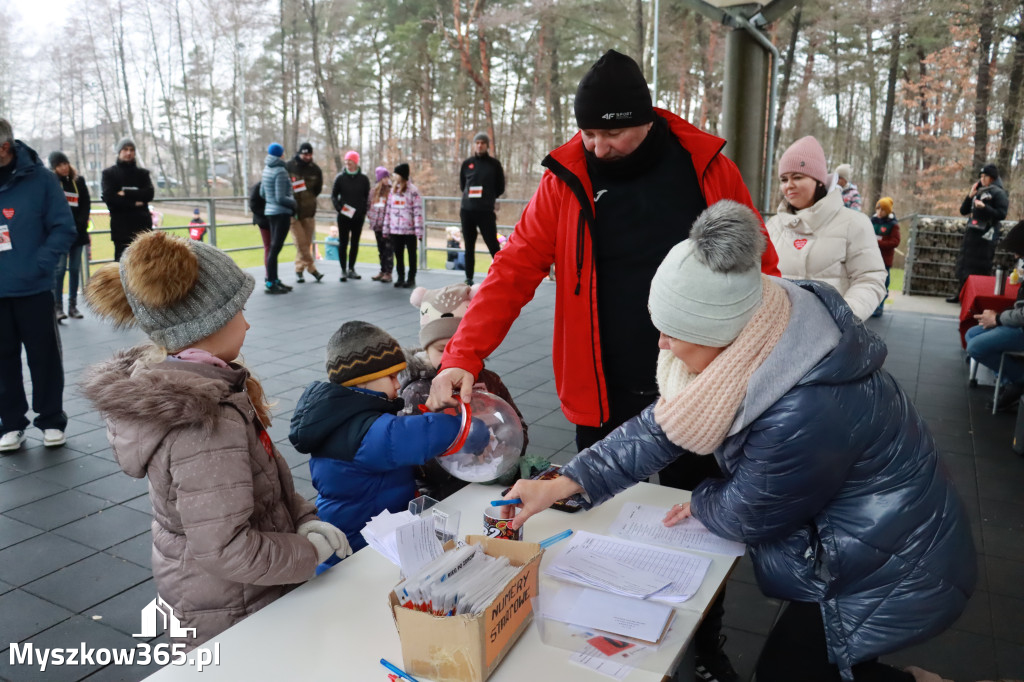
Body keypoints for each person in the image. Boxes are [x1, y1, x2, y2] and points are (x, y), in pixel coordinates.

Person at [504, 200, 976, 682]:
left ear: (720, 333)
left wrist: (705, 500)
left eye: (674, 331)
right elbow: (662, 425)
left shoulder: (806, 407)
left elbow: (750, 510)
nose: (661, 343)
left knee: (788, 677)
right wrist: (563, 482)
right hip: (860, 537)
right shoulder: (767, 322)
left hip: (895, 563)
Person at [427, 50, 779, 680]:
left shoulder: (707, 168)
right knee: (614, 520)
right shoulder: (565, 179)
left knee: (705, 523)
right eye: (588, 132)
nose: (598, 145)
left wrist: (759, 363)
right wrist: (462, 355)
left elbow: (763, 267)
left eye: (611, 132)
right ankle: (627, 640)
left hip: (702, 385)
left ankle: (705, 643)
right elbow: (512, 271)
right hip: (605, 389)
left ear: (645, 120)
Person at [82, 230, 350, 648]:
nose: (247, 321)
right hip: (233, 616)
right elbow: (225, 549)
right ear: (205, 324)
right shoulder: (205, 424)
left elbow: (261, 487)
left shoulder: (210, 393)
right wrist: (308, 554)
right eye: (238, 309)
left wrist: (303, 518)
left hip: (231, 598)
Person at [287, 321, 489, 571]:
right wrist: (474, 431)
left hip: (352, 530)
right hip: (357, 546)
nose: (397, 385)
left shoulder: (343, 418)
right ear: (362, 380)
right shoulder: (367, 433)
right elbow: (419, 434)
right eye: (392, 377)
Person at [399, 283, 528, 499]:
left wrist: (502, 448)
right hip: (439, 494)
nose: (451, 358)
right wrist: (463, 453)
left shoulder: (489, 381)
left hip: (492, 482)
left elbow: (518, 426)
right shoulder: (417, 393)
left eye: (458, 349)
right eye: (442, 350)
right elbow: (412, 454)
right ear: (426, 348)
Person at [0, 119, 76, 452]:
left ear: (4, 147)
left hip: (33, 287)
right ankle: (11, 424)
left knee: (43, 357)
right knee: (2, 361)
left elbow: (64, 228)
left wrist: (40, 264)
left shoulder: (42, 180)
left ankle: (51, 420)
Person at [765, 136, 887, 321]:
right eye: (784, 179)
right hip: (777, 336)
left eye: (798, 177)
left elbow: (870, 278)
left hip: (833, 340)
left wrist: (844, 320)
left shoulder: (854, 224)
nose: (789, 185)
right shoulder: (773, 226)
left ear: (819, 181)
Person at [966, 220, 1024, 412]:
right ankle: (1010, 381)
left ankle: (1019, 380)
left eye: (1018, 251)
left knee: (975, 347)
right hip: (1016, 324)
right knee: (972, 334)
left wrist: (998, 318)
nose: (1016, 256)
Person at [949, 163, 1010, 303]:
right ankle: (960, 294)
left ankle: (973, 297)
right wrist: (970, 195)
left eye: (985, 176)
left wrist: (985, 207)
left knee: (979, 267)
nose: (982, 179)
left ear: (992, 178)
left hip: (986, 236)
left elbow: (1001, 214)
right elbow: (963, 211)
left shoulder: (999, 193)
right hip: (972, 233)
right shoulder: (980, 191)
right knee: (964, 264)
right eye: (981, 176)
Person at [49, 150, 91, 321]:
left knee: (74, 269)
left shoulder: (78, 181)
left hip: (78, 233)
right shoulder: (52, 183)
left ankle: (72, 306)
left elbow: (85, 203)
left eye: (65, 163)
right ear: (54, 168)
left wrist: (79, 224)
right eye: (59, 165)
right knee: (59, 271)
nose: (64, 167)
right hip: (60, 235)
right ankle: (57, 306)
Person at [459, 132, 506, 286]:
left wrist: (487, 197)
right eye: (477, 142)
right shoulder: (467, 164)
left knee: (493, 244)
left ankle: (501, 276)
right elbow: (462, 186)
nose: (479, 145)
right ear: (474, 144)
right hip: (467, 211)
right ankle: (468, 278)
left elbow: (500, 187)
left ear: (487, 145)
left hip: (485, 211)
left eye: (482, 143)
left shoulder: (494, 164)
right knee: (469, 246)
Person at [101, 137, 155, 261]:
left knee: (145, 265)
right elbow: (111, 199)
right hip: (121, 229)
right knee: (121, 266)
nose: (129, 152)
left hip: (143, 228)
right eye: (125, 149)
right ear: (119, 152)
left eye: (131, 150)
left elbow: (149, 194)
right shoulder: (109, 174)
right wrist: (136, 202)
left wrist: (125, 193)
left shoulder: (143, 174)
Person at [285, 141, 325, 284]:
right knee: (300, 242)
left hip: (309, 212)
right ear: (299, 153)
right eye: (305, 154)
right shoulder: (289, 167)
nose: (307, 156)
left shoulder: (315, 170)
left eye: (309, 154)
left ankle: (299, 270)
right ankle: (312, 269)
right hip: (293, 213)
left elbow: (317, 189)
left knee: (306, 243)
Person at [261, 143, 296, 294]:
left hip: (270, 212)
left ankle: (273, 279)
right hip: (281, 213)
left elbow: (263, 193)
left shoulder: (266, 169)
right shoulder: (281, 171)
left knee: (273, 249)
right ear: (281, 154)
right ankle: (271, 282)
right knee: (275, 249)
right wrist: (295, 203)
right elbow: (281, 197)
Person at [331, 150, 370, 282]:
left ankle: (351, 269)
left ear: (356, 162)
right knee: (343, 243)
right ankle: (343, 270)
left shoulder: (363, 179)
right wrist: (339, 209)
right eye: (346, 161)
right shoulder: (340, 178)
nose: (348, 163)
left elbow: (367, 197)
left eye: (351, 161)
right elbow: (334, 196)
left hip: (358, 217)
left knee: (355, 243)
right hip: (344, 216)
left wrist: (363, 211)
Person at [382, 163, 423, 289]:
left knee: (411, 254)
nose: (394, 176)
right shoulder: (393, 191)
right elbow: (388, 210)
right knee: (398, 254)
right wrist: (386, 228)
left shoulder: (413, 191)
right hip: (395, 230)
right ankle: (400, 277)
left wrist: (419, 231)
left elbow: (417, 212)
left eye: (396, 174)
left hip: (409, 231)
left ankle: (411, 278)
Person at [871, 197, 900, 318]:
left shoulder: (893, 225)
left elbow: (895, 241)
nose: (879, 212)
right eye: (878, 209)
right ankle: (871, 305)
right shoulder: (872, 220)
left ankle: (880, 306)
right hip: (871, 258)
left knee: (883, 283)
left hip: (884, 259)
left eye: (882, 210)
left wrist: (878, 242)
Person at [367, 166, 394, 283]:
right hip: (376, 225)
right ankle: (382, 270)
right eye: (384, 177)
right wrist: (371, 217)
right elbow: (369, 206)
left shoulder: (391, 191)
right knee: (381, 249)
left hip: (387, 226)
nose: (386, 179)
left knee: (388, 249)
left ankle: (388, 272)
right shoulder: (373, 192)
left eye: (387, 177)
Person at [248, 179, 272, 283]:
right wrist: (266, 214)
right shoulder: (259, 186)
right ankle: (269, 275)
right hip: (264, 221)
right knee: (269, 247)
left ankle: (271, 275)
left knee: (271, 248)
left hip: (270, 219)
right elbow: (253, 204)